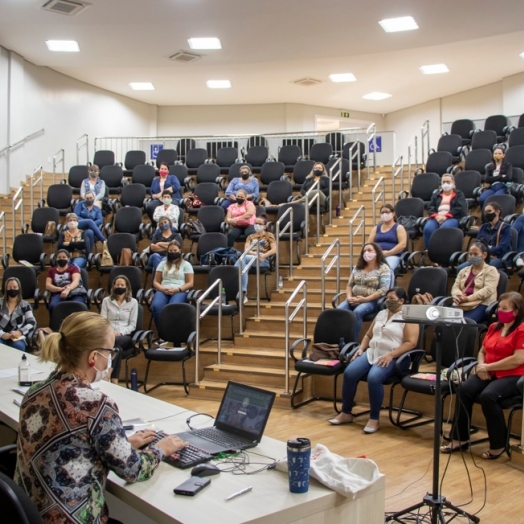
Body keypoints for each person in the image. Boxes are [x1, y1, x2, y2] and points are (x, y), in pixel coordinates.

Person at [14, 311, 186, 523]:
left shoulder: (34, 392)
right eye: (110, 351)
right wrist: (162, 448)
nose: (111, 357)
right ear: (93, 357)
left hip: (29, 514)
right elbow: (133, 470)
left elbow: (71, 445)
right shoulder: (96, 404)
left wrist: (123, 444)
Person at [441, 292, 524, 459]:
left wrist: (488, 366)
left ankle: (498, 444)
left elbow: (518, 359)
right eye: (499, 307)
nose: (500, 311)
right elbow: (482, 351)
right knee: (464, 389)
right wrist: (481, 366)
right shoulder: (494, 327)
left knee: (488, 396)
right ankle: (459, 438)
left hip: (512, 375)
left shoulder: (521, 329)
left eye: (505, 308)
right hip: (488, 370)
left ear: (516, 311)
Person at [329, 287, 419, 433]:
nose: (388, 301)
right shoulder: (382, 313)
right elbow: (368, 335)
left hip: (393, 356)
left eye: (392, 299)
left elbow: (411, 343)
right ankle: (346, 413)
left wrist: (391, 355)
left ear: (402, 301)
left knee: (374, 378)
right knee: (349, 373)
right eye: (387, 298)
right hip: (372, 352)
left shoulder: (408, 317)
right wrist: (361, 349)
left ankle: (374, 418)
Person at [337, 242, 392, 339]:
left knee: (357, 312)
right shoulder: (358, 267)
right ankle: (338, 341)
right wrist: (349, 297)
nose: (366, 253)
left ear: (377, 252)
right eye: (364, 251)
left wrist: (364, 299)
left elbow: (384, 290)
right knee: (338, 311)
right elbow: (349, 285)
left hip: (372, 301)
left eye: (369, 250)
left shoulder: (384, 268)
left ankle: (351, 343)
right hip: (354, 299)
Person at [100, 275, 138, 385]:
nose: (119, 286)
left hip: (125, 336)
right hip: (109, 334)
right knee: (117, 349)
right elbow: (103, 320)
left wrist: (120, 332)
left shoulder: (133, 302)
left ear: (127, 287)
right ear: (113, 286)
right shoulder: (106, 301)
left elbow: (132, 325)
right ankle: (114, 380)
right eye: (117, 284)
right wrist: (110, 332)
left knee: (116, 342)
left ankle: (107, 375)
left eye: (122, 285)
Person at [451, 242, 500, 322]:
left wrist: (467, 299)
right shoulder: (463, 270)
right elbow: (455, 286)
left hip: (481, 304)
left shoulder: (491, 270)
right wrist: (457, 296)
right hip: (462, 304)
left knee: (464, 323)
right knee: (445, 320)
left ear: (484, 255)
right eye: (470, 254)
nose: (472, 256)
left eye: (475, 254)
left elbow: (488, 290)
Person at [457, 202, 511, 271]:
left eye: (489, 211)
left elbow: (502, 248)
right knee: (461, 268)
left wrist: (486, 251)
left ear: (497, 212)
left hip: (498, 258)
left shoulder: (506, 227)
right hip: (481, 256)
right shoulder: (483, 227)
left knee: (483, 268)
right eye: (485, 212)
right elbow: (478, 244)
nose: (487, 214)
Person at [235, 214, 276, 303]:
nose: (257, 225)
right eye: (256, 223)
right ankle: (243, 293)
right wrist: (255, 254)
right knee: (243, 266)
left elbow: (274, 250)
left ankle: (237, 290)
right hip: (252, 255)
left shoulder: (269, 235)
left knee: (242, 260)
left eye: (260, 224)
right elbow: (246, 250)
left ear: (265, 226)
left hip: (263, 259)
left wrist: (263, 256)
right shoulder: (250, 237)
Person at [151, 241, 194, 327]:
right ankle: (162, 332)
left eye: (175, 250)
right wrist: (162, 289)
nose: (172, 252)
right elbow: (156, 282)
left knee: (172, 307)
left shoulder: (186, 265)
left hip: (180, 290)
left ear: (180, 251)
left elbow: (190, 283)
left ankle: (172, 333)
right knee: (156, 306)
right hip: (163, 290)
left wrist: (178, 289)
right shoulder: (162, 264)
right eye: (170, 251)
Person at [423, 173, 467, 249]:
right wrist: (436, 216)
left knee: (444, 229)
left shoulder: (459, 194)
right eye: (443, 182)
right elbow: (430, 207)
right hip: (437, 217)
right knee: (428, 228)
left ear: (453, 183)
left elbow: (460, 207)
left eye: (448, 182)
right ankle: (430, 250)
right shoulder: (436, 194)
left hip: (452, 218)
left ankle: (442, 250)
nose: (445, 184)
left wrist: (446, 216)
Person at [367, 204, 407, 272]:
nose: (384, 214)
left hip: (393, 256)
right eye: (382, 212)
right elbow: (368, 244)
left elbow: (402, 245)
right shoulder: (376, 228)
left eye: (387, 212)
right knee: (360, 268)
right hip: (376, 256)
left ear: (393, 213)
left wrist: (388, 253)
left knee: (386, 268)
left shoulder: (399, 228)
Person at [0, 277, 36, 352]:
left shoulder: (25, 305)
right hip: (1, 335)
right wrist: (2, 334)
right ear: (6, 289)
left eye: (15, 287)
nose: (12, 289)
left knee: (19, 347)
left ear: (19, 288)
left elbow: (32, 323)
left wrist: (20, 332)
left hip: (17, 337)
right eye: (9, 287)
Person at [46, 249, 86, 314]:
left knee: (78, 306)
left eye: (64, 257)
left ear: (68, 259)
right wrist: (60, 289)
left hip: (74, 292)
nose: (61, 259)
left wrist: (68, 289)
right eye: (59, 257)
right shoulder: (51, 270)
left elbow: (76, 281)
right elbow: (48, 285)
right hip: (58, 293)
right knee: (52, 306)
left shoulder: (73, 268)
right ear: (56, 259)